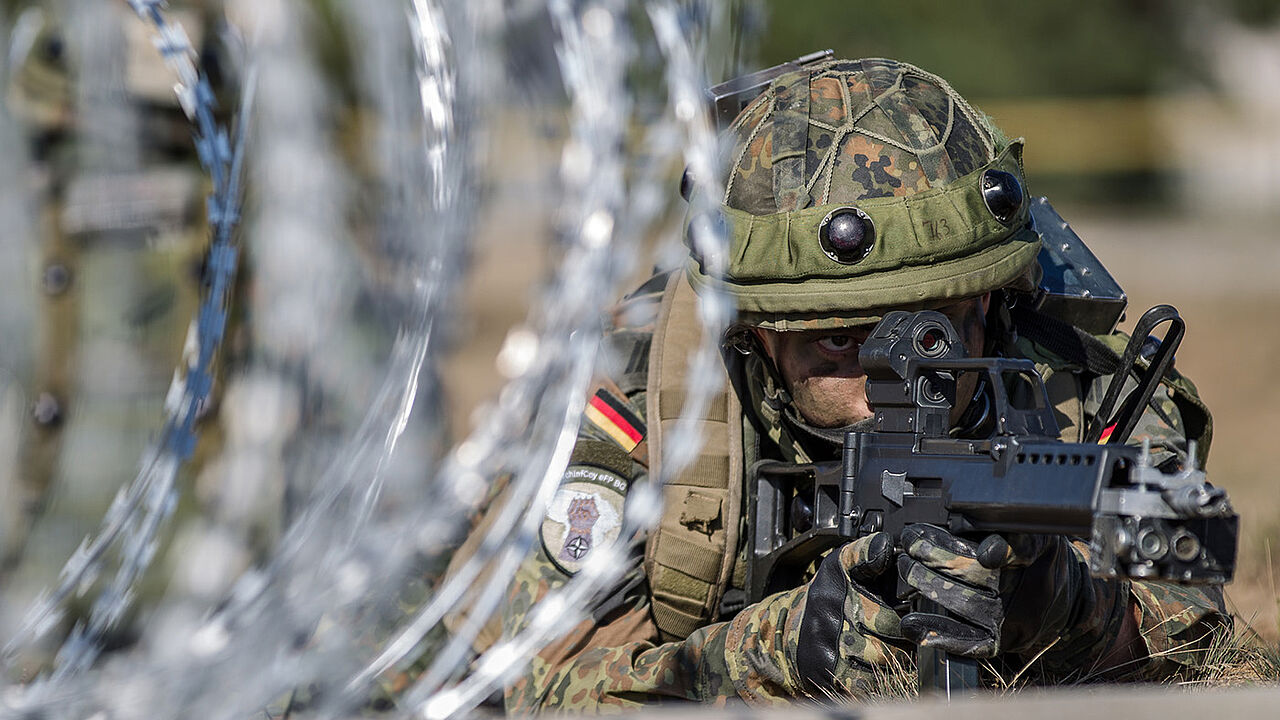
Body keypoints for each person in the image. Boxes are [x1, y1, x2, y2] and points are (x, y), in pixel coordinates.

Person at [499, 57, 1227, 711]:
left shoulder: (1081, 386)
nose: (890, 377)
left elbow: (1205, 635)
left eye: (930, 333)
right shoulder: (644, 398)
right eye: (840, 340)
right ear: (755, 332)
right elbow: (541, 686)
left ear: (986, 300)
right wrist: (778, 651)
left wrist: (1066, 607)